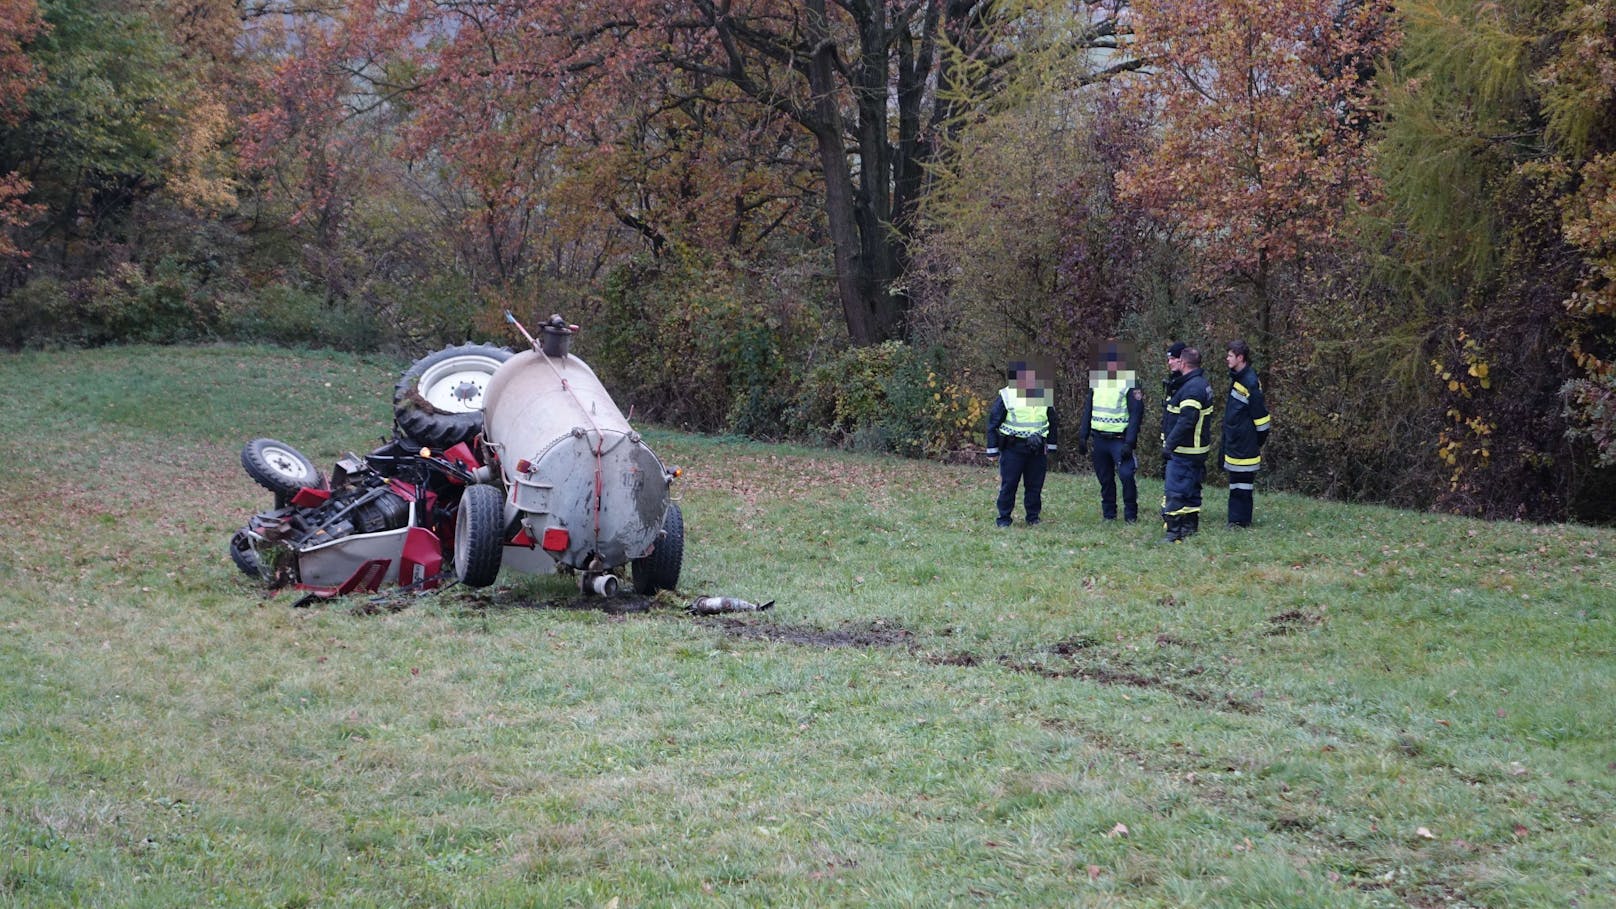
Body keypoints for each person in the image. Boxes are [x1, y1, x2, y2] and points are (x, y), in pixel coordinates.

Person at [986, 361, 1058, 526]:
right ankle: (1004, 519)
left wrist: (1051, 445)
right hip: (1013, 448)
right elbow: (993, 423)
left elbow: (1053, 421)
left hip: (1037, 448)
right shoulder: (1008, 395)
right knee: (1009, 485)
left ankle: (1033, 518)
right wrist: (992, 450)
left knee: (1035, 486)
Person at [1077, 341, 1143, 522]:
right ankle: (1109, 515)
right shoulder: (1097, 380)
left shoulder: (1130, 382)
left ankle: (1131, 515)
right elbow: (1088, 408)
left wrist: (1130, 442)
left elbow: (1136, 415)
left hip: (1119, 440)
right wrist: (1083, 436)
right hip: (1099, 439)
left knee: (1126, 476)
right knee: (1105, 479)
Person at [1160, 347, 1214, 542]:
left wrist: (1169, 445)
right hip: (1197, 449)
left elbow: (1187, 420)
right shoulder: (1200, 384)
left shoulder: (1191, 389)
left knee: (1175, 490)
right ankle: (1190, 528)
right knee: (1192, 491)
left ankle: (1173, 533)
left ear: (1183, 363)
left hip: (1185, 450)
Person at [1222, 339, 1271, 528]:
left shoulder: (1250, 381)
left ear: (1240, 358)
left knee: (1242, 485)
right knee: (1236, 484)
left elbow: (1261, 417)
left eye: (1230, 356)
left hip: (1245, 444)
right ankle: (1237, 520)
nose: (1227, 358)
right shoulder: (1238, 378)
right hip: (1237, 442)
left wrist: (1256, 440)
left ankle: (1239, 522)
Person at [1159, 342, 1187, 480]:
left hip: (1181, 447)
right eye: (1168, 359)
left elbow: (1186, 420)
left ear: (1182, 360)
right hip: (1170, 443)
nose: (1169, 363)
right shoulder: (1173, 382)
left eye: (1172, 359)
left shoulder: (1186, 384)